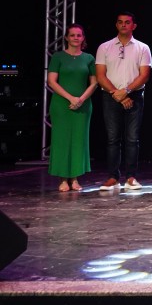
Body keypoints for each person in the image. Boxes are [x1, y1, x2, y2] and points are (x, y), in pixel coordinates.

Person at [95, 12, 152, 190]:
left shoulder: (142, 47)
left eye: (127, 22)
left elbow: (144, 75)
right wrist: (116, 93)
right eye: (120, 22)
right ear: (116, 25)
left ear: (134, 26)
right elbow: (100, 75)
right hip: (110, 96)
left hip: (134, 95)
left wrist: (126, 92)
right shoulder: (104, 47)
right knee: (113, 138)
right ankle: (113, 177)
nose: (123, 25)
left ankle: (131, 177)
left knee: (132, 138)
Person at [47, 24, 98, 192]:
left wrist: (81, 99)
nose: (76, 38)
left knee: (79, 140)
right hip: (61, 105)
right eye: (72, 35)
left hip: (83, 105)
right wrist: (71, 98)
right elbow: (51, 81)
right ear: (66, 38)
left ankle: (75, 178)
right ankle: (63, 179)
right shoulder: (58, 57)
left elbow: (94, 83)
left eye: (79, 35)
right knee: (61, 140)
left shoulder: (89, 58)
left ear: (83, 38)